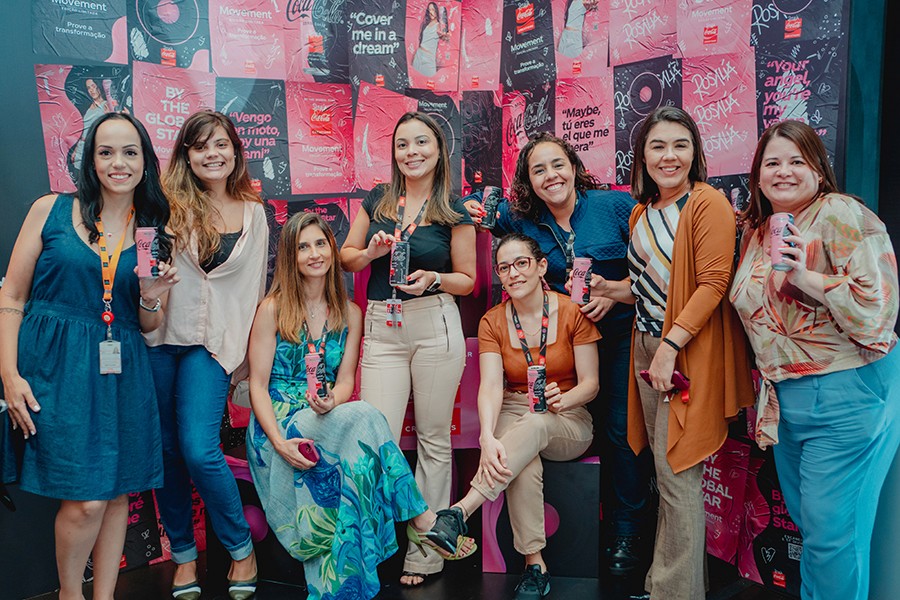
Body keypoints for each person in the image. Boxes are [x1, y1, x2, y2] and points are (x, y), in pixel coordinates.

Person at [246, 212, 476, 600]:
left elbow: (345, 383)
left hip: (322, 413)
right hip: (279, 419)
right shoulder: (273, 309)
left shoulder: (350, 312)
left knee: (357, 462)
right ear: (290, 256)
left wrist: (331, 401)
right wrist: (280, 443)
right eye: (303, 247)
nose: (314, 254)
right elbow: (257, 386)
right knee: (367, 415)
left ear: (332, 250)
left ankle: (347, 587)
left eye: (321, 244)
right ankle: (422, 519)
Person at [0, 112, 177, 600]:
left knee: (117, 493)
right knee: (86, 502)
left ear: (145, 162)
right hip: (55, 370)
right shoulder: (51, 210)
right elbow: (12, 295)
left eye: (130, 152)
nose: (118, 163)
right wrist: (9, 374)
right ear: (90, 160)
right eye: (106, 152)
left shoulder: (153, 232)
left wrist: (151, 296)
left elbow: (148, 324)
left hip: (122, 370)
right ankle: (70, 595)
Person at [730, 120, 900, 600]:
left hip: (847, 390)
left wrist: (807, 279)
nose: (783, 171)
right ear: (758, 176)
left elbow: (878, 315)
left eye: (796, 161)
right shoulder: (757, 232)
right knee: (814, 530)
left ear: (819, 171)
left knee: (831, 539)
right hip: (786, 403)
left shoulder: (842, 214)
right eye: (772, 163)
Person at [463, 132, 646, 574]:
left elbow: (655, 271)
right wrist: (470, 206)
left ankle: (625, 530)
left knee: (620, 433)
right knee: (545, 430)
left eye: (557, 164)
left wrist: (614, 293)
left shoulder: (615, 206)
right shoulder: (523, 219)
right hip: (561, 345)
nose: (551, 176)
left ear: (574, 167)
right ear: (528, 182)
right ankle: (544, 553)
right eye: (538, 170)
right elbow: (473, 206)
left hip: (619, 337)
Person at [591, 106, 754, 600]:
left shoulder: (706, 203)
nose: (669, 156)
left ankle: (673, 592)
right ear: (642, 155)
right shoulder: (642, 211)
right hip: (646, 346)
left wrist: (669, 347)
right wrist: (610, 289)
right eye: (657, 146)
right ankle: (672, 584)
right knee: (663, 474)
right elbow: (648, 285)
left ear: (695, 153)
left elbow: (712, 285)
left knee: (678, 471)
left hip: (685, 352)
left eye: (680, 145)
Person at [417, 233, 599, 599]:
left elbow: (591, 384)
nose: (513, 273)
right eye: (504, 267)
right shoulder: (493, 321)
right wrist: (486, 436)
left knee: (536, 423)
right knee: (520, 460)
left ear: (541, 266)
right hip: (515, 407)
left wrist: (563, 399)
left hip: (567, 415)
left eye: (521, 263)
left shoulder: (572, 312)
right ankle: (535, 566)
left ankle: (459, 512)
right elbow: (490, 387)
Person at [340, 111, 476, 586]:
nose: (411, 152)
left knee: (435, 440)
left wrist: (435, 277)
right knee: (376, 438)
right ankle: (374, 547)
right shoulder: (378, 199)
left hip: (435, 322)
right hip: (383, 326)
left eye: (421, 143)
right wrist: (372, 253)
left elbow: (467, 280)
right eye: (402, 144)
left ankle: (426, 552)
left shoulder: (454, 209)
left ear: (439, 151)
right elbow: (347, 257)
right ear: (393, 152)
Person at [147, 110, 268, 600]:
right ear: (186, 155)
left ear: (235, 150)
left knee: (199, 448)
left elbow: (254, 290)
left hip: (214, 343)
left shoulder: (254, 213)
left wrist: (247, 358)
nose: (212, 154)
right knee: (167, 452)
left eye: (221, 144)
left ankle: (241, 547)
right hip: (159, 336)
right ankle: (183, 555)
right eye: (200, 146)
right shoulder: (164, 204)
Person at [71, 78, 111, 171]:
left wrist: (108, 115)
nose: (92, 90)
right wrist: (76, 150)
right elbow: (84, 130)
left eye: (93, 86)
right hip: (81, 147)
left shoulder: (106, 105)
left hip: (93, 147)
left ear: (99, 86)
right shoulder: (88, 107)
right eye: (88, 88)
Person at [411, 2, 443, 77]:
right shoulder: (425, 24)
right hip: (419, 55)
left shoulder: (439, 25)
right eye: (429, 10)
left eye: (433, 10)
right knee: (414, 80)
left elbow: (446, 35)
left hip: (429, 58)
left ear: (436, 11)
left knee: (429, 81)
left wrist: (446, 35)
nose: (431, 12)